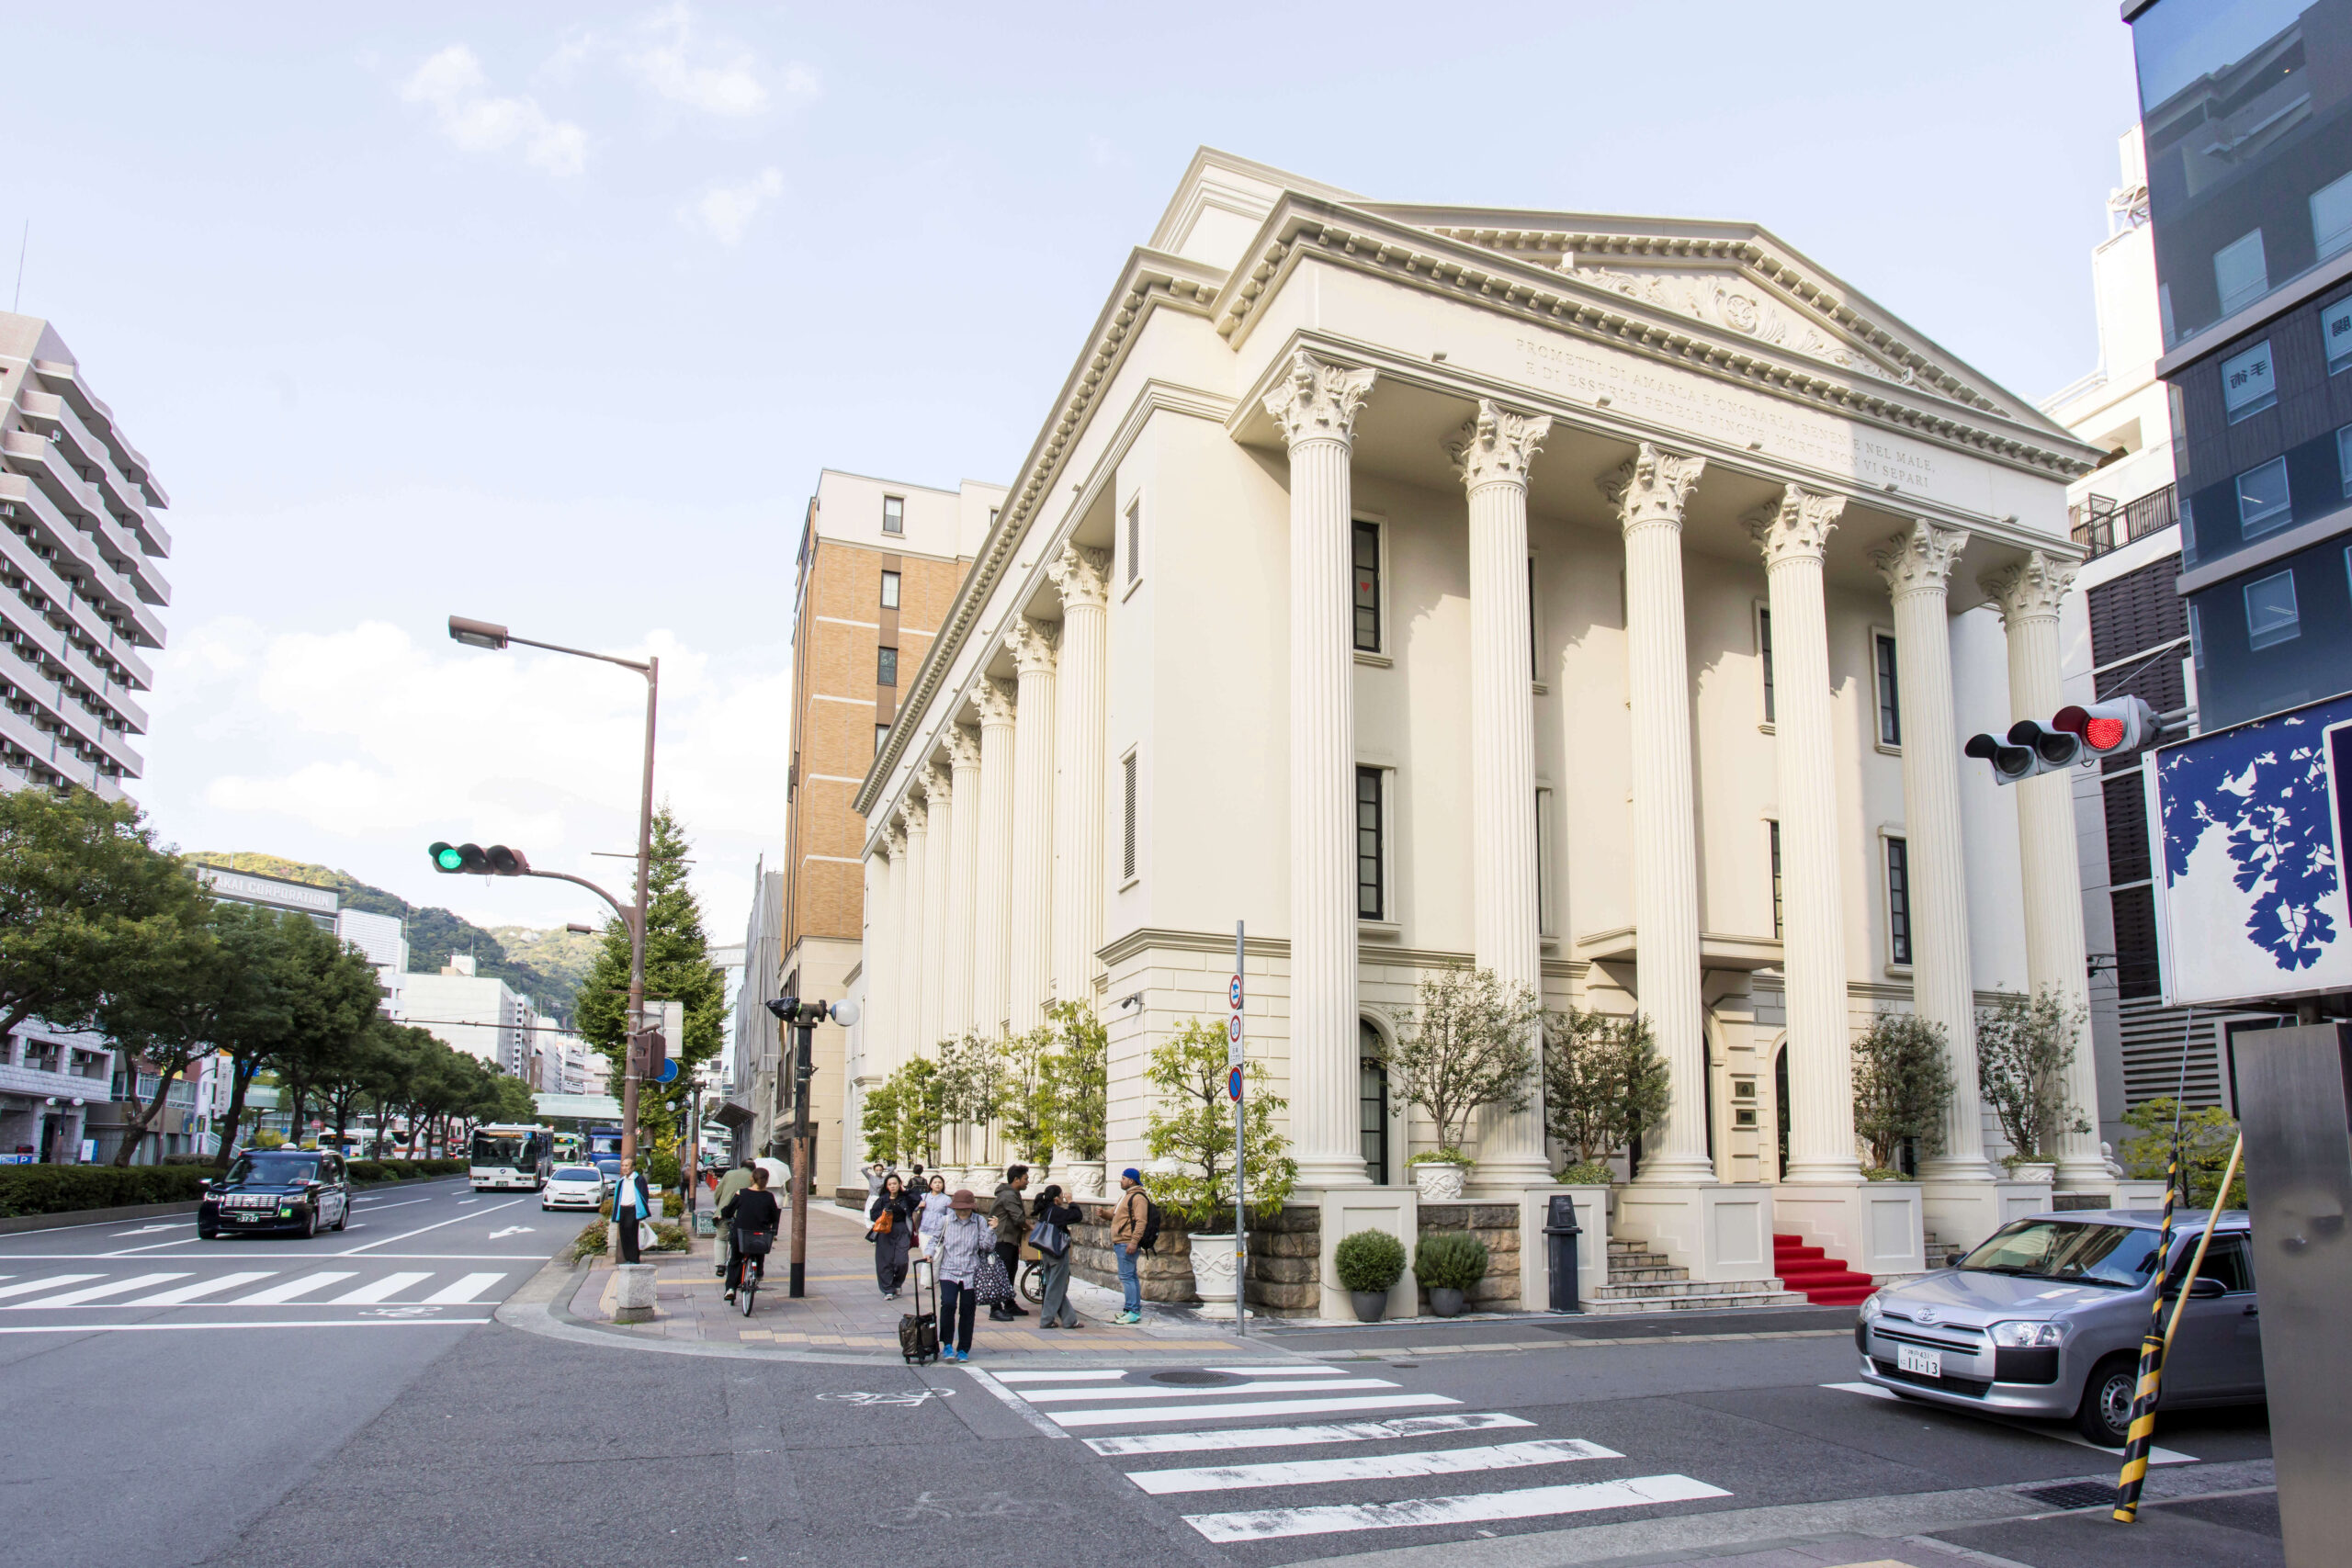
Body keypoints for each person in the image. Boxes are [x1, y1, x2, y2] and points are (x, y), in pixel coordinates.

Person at [933, 1189, 991, 1362]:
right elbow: (935, 1240)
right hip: (948, 1270)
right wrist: (929, 1253)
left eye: (966, 1208)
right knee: (948, 1305)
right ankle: (948, 1344)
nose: (962, 1212)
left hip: (971, 1271)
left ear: (972, 1208)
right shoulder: (946, 1221)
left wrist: (991, 1230)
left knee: (967, 1310)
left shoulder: (979, 1221)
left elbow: (986, 1247)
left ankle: (964, 1348)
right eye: (959, 1208)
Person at [718, 1167, 782, 1303]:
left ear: (751, 1178)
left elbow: (729, 1210)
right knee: (759, 1251)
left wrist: (724, 1214)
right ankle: (758, 1273)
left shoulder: (741, 1193)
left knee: (735, 1260)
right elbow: (774, 1216)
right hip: (760, 1235)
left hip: (741, 1234)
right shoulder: (769, 1197)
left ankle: (730, 1289)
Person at [1031, 1183, 1084, 1330]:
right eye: (1061, 1196)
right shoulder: (1055, 1211)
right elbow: (1077, 1216)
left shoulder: (1045, 1211)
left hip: (1046, 1251)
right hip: (1057, 1253)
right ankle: (1046, 1320)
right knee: (1056, 1287)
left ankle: (1070, 1320)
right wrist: (1071, 1201)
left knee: (1055, 1286)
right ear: (1056, 1199)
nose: (1063, 1198)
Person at [988, 1164, 1033, 1321]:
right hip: (1002, 1240)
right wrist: (1031, 1228)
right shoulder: (1008, 1195)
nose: (1028, 1182)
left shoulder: (1012, 1193)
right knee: (1001, 1274)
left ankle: (1009, 1303)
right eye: (1026, 1179)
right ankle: (995, 1308)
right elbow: (1018, 1218)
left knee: (1009, 1273)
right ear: (1016, 1179)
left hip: (1010, 1240)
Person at [867, 1171, 916, 1299]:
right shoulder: (883, 1199)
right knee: (885, 1261)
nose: (892, 1186)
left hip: (902, 1229)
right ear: (886, 1186)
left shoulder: (905, 1198)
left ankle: (897, 1283)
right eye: (890, 1184)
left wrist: (905, 1190)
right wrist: (883, 1214)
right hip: (885, 1231)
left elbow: (917, 1198)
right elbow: (873, 1214)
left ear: (899, 1184)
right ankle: (888, 1289)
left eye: (895, 1183)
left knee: (902, 1260)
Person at [1110, 1167, 1148, 1324]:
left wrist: (1134, 1241)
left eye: (1123, 1178)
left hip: (1126, 1242)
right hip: (1122, 1241)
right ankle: (1131, 1308)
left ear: (1131, 1181)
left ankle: (1133, 1310)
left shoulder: (1138, 1198)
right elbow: (1115, 1215)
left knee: (1127, 1277)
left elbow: (1141, 1221)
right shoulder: (1126, 1197)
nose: (1121, 1180)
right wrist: (1103, 1214)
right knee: (1130, 1276)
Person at [710, 1158, 756, 1280]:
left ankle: (720, 1265)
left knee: (721, 1238)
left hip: (724, 1213)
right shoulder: (753, 1177)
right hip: (743, 1215)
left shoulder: (729, 1174)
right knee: (743, 1240)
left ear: (740, 1167)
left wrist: (719, 1205)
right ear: (753, 1169)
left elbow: (718, 1192)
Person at [613, 1156, 653, 1266]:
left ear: (633, 1167)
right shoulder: (621, 1181)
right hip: (623, 1209)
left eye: (627, 1166)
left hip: (633, 1209)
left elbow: (644, 1195)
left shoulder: (638, 1179)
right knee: (624, 1235)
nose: (624, 1168)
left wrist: (642, 1211)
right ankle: (628, 1259)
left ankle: (634, 1259)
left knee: (632, 1234)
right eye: (623, 1165)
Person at [917, 1172, 953, 1253]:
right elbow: (914, 1209)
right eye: (935, 1182)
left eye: (940, 1183)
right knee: (926, 1255)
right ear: (930, 1185)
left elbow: (950, 1216)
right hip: (924, 1230)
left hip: (938, 1232)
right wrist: (919, 1205)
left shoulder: (947, 1199)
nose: (937, 1185)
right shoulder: (924, 1196)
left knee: (936, 1257)